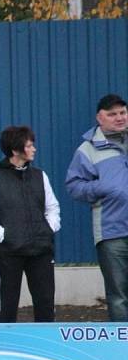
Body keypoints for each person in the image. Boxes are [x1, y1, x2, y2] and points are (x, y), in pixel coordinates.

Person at [0, 126, 60, 323]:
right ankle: (3, 349)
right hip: (8, 253)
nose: (34, 149)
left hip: (41, 250)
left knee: (46, 304)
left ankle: (47, 349)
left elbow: (52, 207)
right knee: (7, 305)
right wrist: (6, 236)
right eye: (29, 145)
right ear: (15, 151)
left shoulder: (41, 176)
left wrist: (48, 229)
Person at [66, 93, 128, 322]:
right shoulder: (87, 149)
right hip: (111, 231)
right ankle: (122, 347)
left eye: (122, 112)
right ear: (99, 118)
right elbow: (74, 186)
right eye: (112, 114)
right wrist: (103, 187)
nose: (119, 118)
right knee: (118, 294)